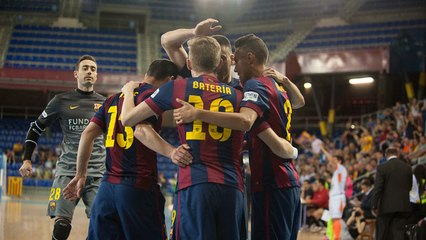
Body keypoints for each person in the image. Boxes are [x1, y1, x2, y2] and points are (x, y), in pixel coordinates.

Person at [121, 36, 297, 240]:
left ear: (188, 63)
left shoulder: (177, 88)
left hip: (194, 184)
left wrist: (127, 91)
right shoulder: (239, 94)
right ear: (221, 62)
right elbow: (256, 122)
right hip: (232, 188)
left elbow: (128, 120)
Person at [172, 34, 302, 240]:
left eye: (233, 58)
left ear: (248, 58)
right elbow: (299, 102)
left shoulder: (250, 88)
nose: (232, 63)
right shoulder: (273, 86)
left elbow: (246, 122)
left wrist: (197, 113)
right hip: (282, 180)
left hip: (265, 181)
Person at [62, 59, 192, 240]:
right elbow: (140, 130)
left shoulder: (112, 99)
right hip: (137, 187)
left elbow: (87, 135)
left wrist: (81, 174)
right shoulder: (153, 96)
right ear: (170, 79)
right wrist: (172, 151)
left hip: (106, 189)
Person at [18, 55, 106, 240]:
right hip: (67, 171)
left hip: (98, 173)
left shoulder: (105, 104)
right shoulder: (61, 100)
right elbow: (35, 128)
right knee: (62, 225)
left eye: (93, 69)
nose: (89, 71)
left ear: (96, 75)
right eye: (85, 68)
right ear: (76, 74)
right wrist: (27, 160)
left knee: (104, 222)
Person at [371, 147, 412, 240]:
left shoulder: (382, 167)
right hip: (403, 205)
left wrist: (374, 205)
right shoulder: (407, 167)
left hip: (386, 207)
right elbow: (409, 186)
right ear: (397, 154)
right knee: (398, 233)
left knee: (384, 233)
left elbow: (378, 188)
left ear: (386, 155)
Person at [320, 145, 348, 240]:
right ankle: (330, 237)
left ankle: (336, 238)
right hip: (334, 198)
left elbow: (331, 159)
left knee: (336, 218)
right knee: (332, 218)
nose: (332, 162)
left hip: (338, 198)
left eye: (335, 160)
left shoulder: (341, 168)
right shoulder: (336, 172)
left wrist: (323, 149)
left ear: (339, 161)